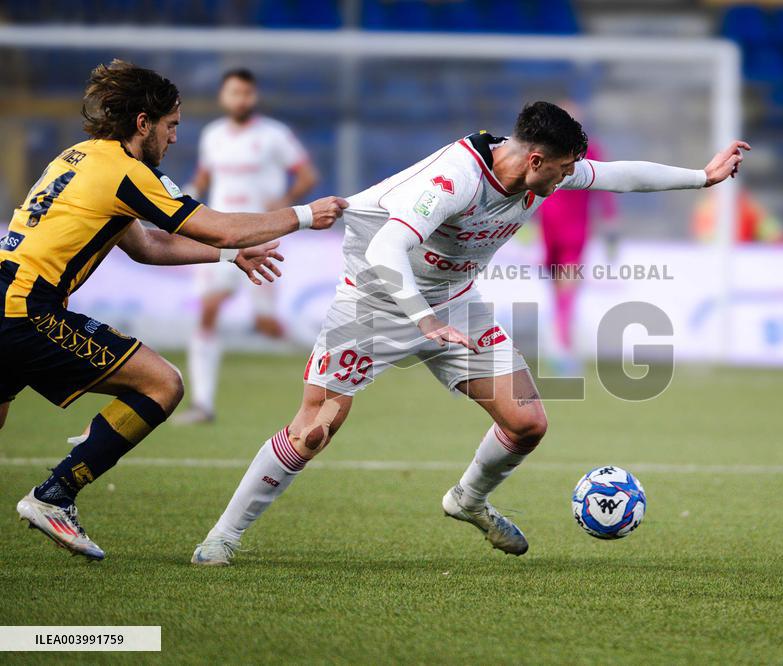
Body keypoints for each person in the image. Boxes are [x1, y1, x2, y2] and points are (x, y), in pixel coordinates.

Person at [192, 101, 748, 565]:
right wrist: (422, 319)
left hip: (455, 303)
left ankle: (467, 501)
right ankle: (222, 537)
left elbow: (621, 176)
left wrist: (702, 177)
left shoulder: (541, 168)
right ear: (536, 158)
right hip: (375, 300)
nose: (566, 180)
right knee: (315, 430)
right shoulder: (454, 179)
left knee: (528, 421)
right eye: (560, 171)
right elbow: (388, 247)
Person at [2, 60, 347, 561]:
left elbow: (147, 248)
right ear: (143, 123)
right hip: (27, 310)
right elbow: (218, 226)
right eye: (171, 126)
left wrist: (230, 256)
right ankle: (55, 495)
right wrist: (302, 216)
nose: (175, 138)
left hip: (6, 300)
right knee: (162, 384)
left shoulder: (79, 157)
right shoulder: (127, 172)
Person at [176, 68, 319, 424]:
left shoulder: (274, 135)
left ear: (253, 97)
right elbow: (205, 177)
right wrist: (185, 195)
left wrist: (282, 204)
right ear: (224, 97)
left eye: (246, 93)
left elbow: (308, 176)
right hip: (219, 234)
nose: (241, 99)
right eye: (234, 92)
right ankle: (202, 404)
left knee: (268, 323)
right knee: (207, 310)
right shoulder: (213, 136)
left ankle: (326, 356)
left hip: (260, 238)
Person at [537, 100, 617, 374]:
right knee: (556, 286)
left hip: (575, 229)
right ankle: (560, 341)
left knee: (567, 286)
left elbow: (606, 185)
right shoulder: (543, 151)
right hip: (548, 226)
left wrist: (609, 218)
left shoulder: (589, 149)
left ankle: (562, 347)